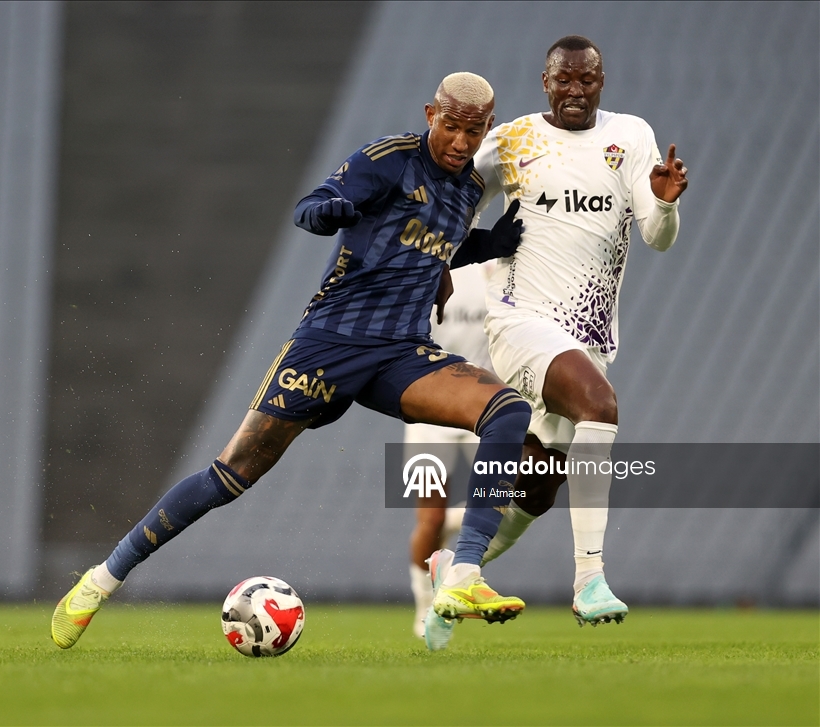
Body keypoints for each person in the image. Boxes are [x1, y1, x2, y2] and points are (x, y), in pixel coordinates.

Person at [50, 72, 536, 649]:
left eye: (473, 131)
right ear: (432, 114)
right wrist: (330, 211)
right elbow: (311, 207)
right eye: (451, 126)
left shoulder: (468, 187)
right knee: (230, 476)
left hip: (402, 353)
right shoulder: (387, 160)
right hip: (330, 344)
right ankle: (101, 581)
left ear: (486, 128)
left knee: (507, 411)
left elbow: (435, 243)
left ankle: (463, 573)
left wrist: (490, 245)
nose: (460, 141)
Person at [426, 36, 689, 649]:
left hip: (588, 335)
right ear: (545, 82)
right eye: (563, 80)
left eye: (586, 80)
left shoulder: (631, 137)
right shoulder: (513, 140)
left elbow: (657, 236)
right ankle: (590, 579)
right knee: (600, 406)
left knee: (538, 489)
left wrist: (665, 204)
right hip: (520, 321)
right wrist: (438, 264)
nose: (575, 91)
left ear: (601, 82)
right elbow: (456, 205)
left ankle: (455, 568)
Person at [405, 261, 495, 639]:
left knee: (511, 500)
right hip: (428, 411)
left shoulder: (495, 268)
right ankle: (426, 606)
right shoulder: (421, 268)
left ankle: (452, 554)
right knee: (430, 520)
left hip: (483, 408)